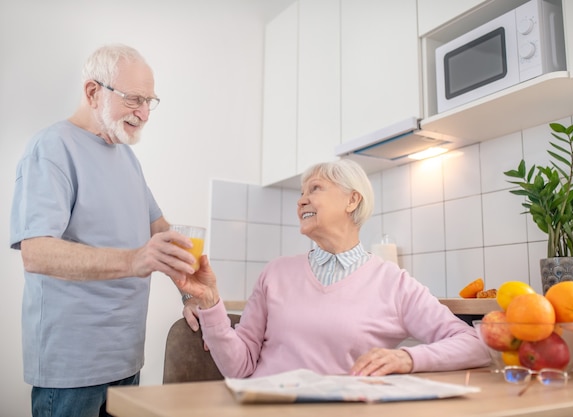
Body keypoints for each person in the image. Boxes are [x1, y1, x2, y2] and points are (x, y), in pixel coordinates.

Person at [10, 44, 198, 417]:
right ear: (93, 92)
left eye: (149, 101)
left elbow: (161, 231)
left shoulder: (127, 158)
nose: (144, 113)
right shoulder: (51, 149)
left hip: (127, 360)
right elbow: (37, 252)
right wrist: (135, 259)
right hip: (72, 370)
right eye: (133, 99)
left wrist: (189, 294)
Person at [176, 159, 491, 378]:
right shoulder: (275, 274)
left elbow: (473, 345)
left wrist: (407, 358)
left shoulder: (393, 283)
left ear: (352, 200)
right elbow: (238, 366)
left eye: (314, 189)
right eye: (301, 193)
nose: (301, 201)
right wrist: (210, 300)